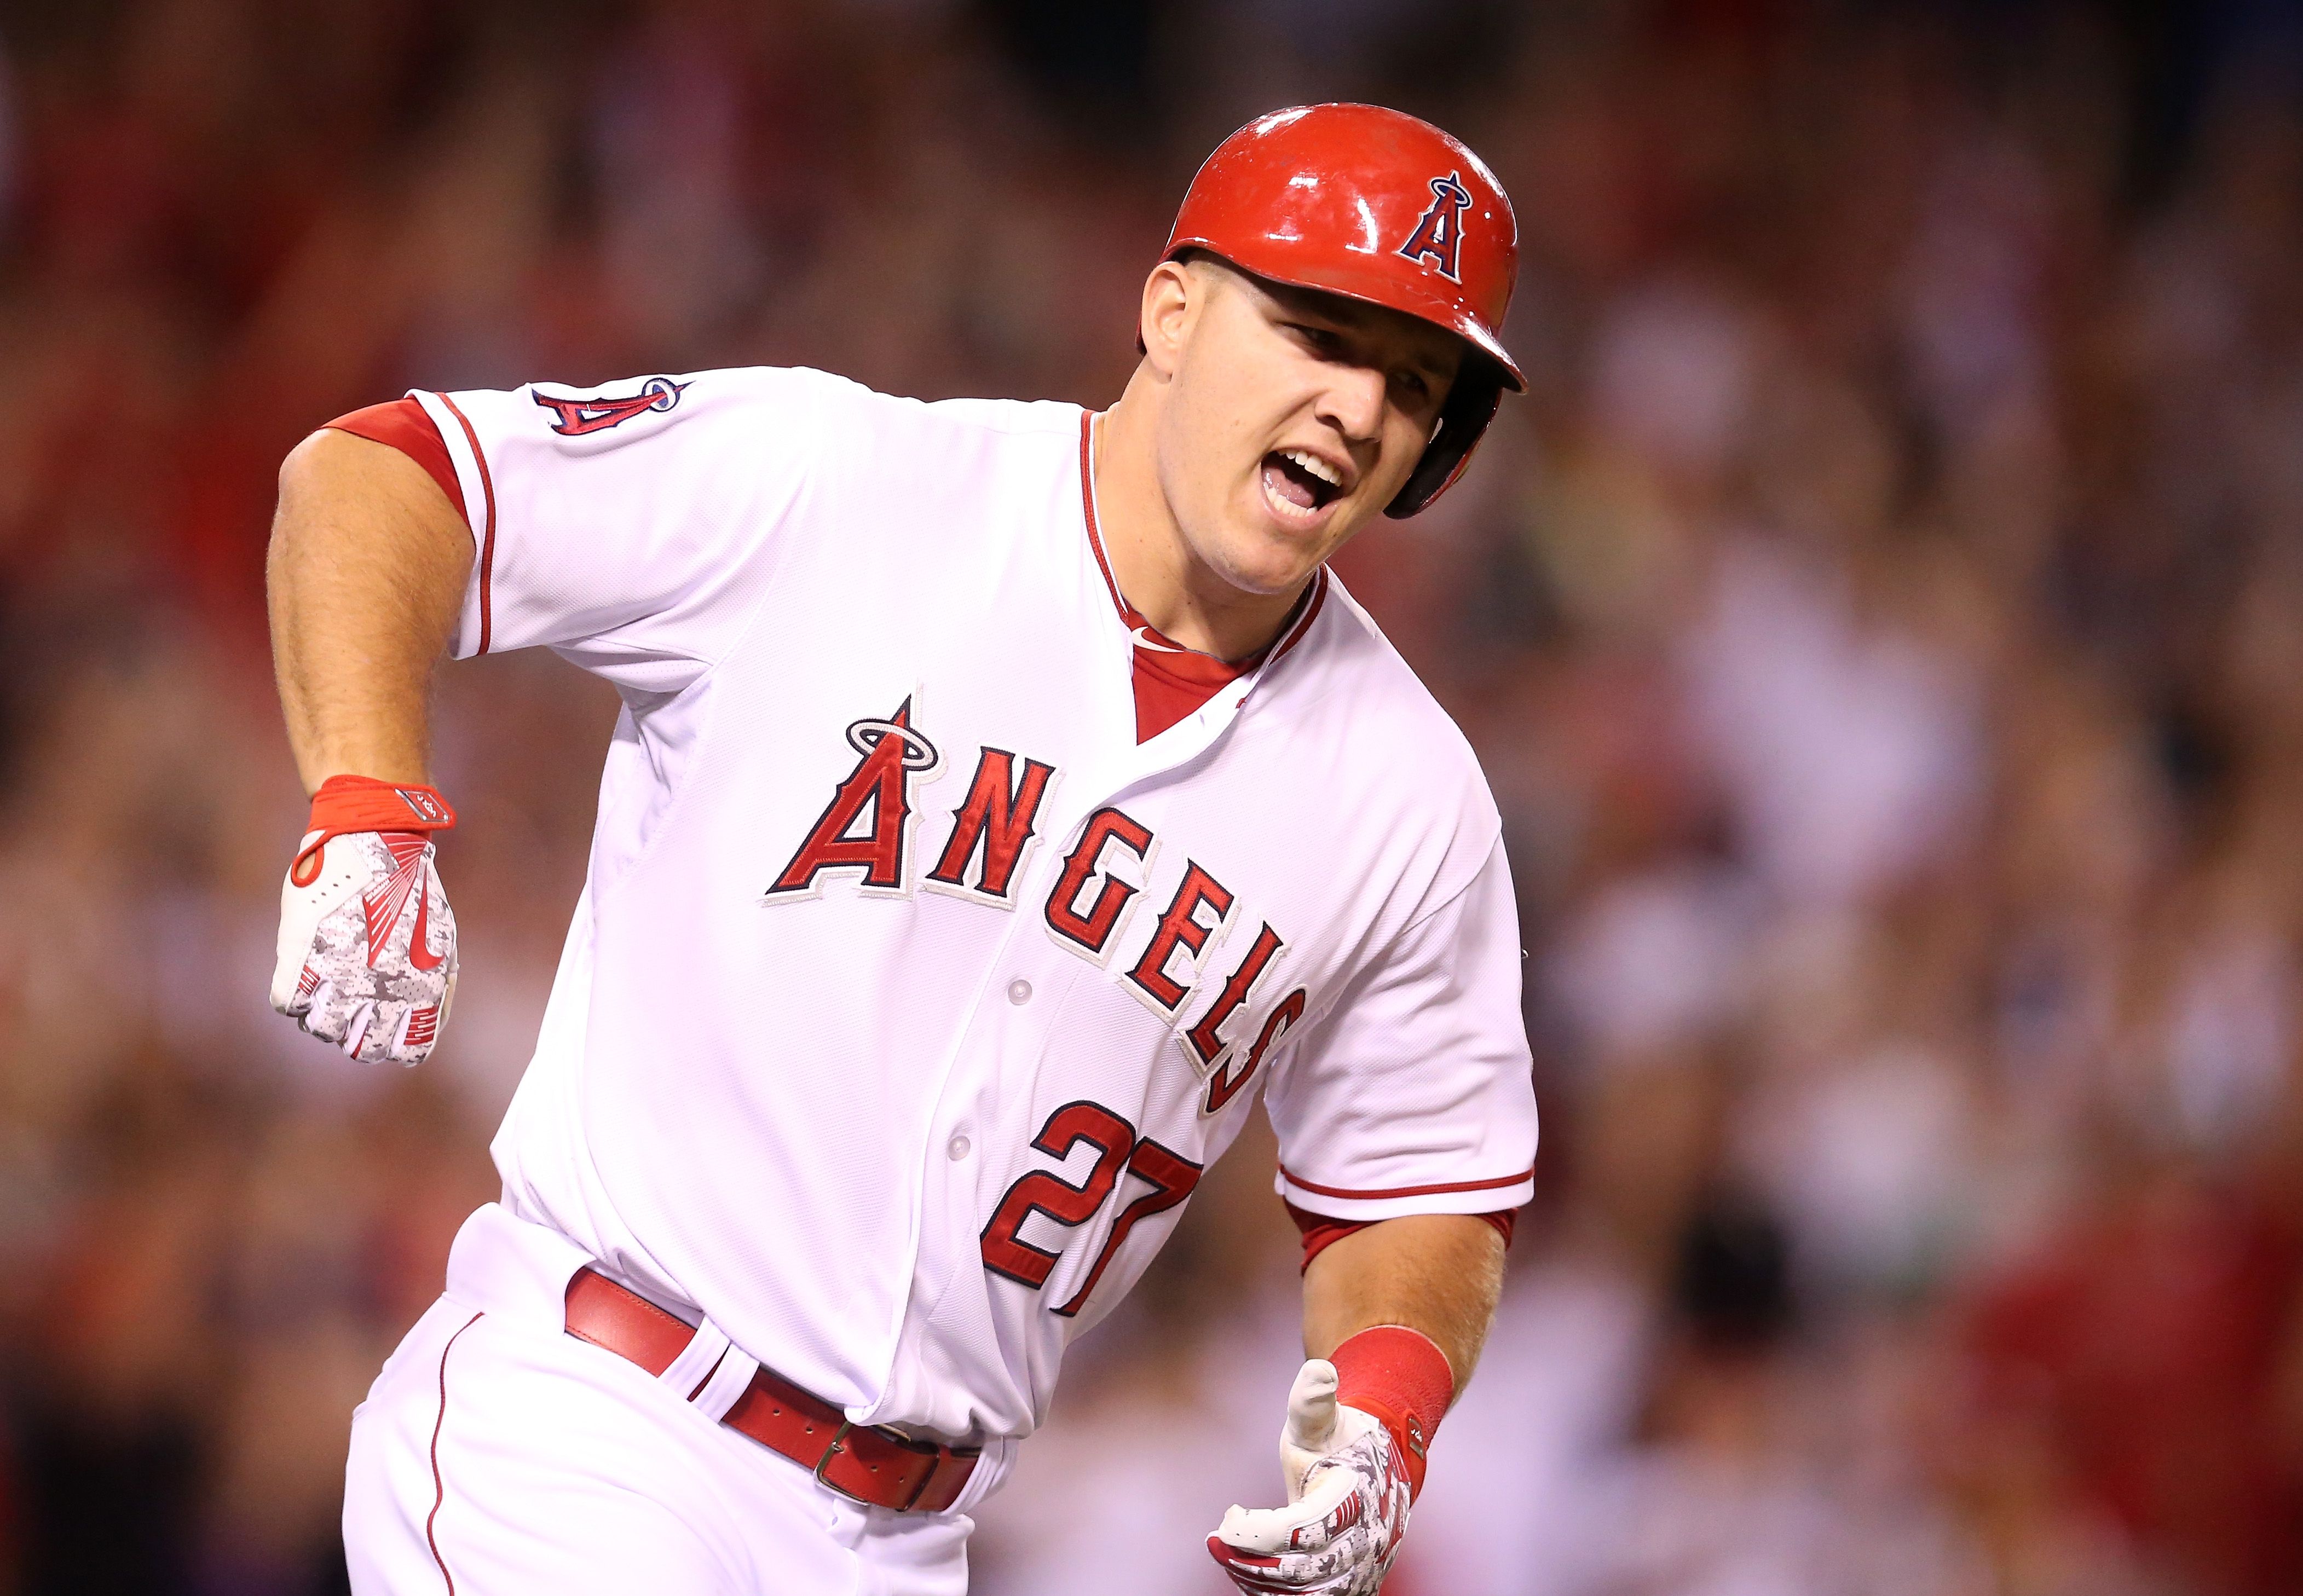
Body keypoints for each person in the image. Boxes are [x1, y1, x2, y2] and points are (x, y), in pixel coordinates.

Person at [263, 102, 1536, 1596]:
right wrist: (366, 802)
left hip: (912, 1539)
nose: (1357, 407)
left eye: (1411, 378)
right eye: (1319, 332)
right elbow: (387, 478)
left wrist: (1384, 1415)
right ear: (1171, 309)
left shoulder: (1407, 797)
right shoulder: (842, 485)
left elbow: (1414, 1186)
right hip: (595, 1432)